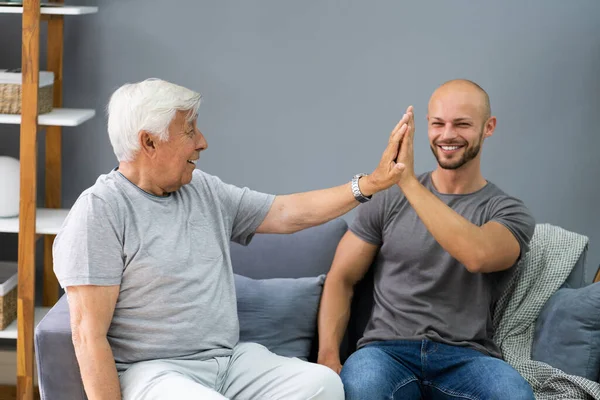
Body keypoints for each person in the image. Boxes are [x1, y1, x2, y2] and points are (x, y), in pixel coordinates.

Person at [52, 78, 414, 400]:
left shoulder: (203, 189)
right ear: (149, 142)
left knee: (322, 386)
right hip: (154, 372)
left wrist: (369, 184)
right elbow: (87, 336)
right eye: (190, 130)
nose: (203, 142)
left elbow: (285, 212)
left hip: (228, 363)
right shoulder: (100, 210)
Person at [317, 79, 536, 399]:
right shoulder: (389, 199)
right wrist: (327, 356)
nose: (448, 134)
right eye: (438, 123)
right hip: (385, 353)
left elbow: (478, 254)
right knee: (361, 386)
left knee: (515, 395)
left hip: (467, 358)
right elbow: (341, 278)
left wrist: (408, 184)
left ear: (488, 128)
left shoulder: (506, 210)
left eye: (462, 124)